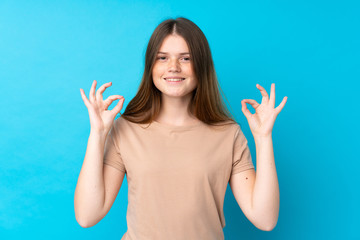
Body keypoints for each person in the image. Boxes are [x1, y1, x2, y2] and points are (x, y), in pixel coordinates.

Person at [74, 17, 287, 240]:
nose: (173, 67)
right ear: (151, 66)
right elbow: (87, 216)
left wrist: (263, 139)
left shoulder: (228, 134)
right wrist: (97, 134)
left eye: (186, 58)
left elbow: (265, 219)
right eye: (162, 58)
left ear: (202, 66)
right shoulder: (126, 129)